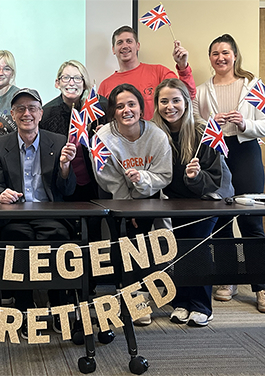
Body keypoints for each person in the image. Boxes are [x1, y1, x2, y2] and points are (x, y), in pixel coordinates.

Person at [193, 34, 265, 314]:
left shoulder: (253, 86)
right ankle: (227, 280)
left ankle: (261, 286)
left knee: (252, 222)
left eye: (225, 52)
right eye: (215, 53)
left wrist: (246, 124)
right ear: (210, 58)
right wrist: (209, 123)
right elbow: (194, 123)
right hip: (216, 154)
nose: (220, 57)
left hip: (246, 152)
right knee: (221, 222)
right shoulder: (203, 90)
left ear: (235, 56)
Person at [0, 88, 76, 339]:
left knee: (57, 240)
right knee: (17, 242)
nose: (27, 113)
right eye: (21, 109)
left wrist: (66, 167)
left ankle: (58, 305)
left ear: (40, 113)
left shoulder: (57, 142)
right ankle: (24, 308)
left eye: (32, 108)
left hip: (50, 213)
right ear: (12, 114)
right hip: (15, 215)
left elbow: (68, 190)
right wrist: (0, 194)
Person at [94, 84, 173, 326]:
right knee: (130, 242)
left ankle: (157, 292)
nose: (126, 110)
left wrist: (143, 181)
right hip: (119, 201)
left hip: (152, 199)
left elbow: (164, 175)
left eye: (131, 104)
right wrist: (130, 209)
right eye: (119, 106)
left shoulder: (157, 136)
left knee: (158, 242)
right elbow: (107, 179)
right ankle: (135, 300)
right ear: (112, 112)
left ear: (141, 108)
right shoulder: (103, 139)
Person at [152, 78, 222, 326]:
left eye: (175, 100)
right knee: (178, 252)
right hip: (174, 204)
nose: (169, 106)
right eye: (164, 101)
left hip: (204, 203)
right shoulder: (154, 134)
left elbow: (215, 180)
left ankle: (202, 305)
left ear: (186, 102)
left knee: (197, 250)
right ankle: (181, 301)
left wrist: (196, 177)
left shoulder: (204, 133)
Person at [41, 60, 108, 204]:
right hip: (62, 183)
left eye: (77, 78)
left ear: (84, 83)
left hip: (95, 181)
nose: (71, 83)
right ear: (57, 83)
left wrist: (106, 135)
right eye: (66, 78)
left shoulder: (100, 108)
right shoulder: (46, 114)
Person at [98, 25, 196, 120]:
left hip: (160, 135)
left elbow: (188, 96)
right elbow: (102, 118)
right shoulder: (105, 86)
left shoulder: (159, 72)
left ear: (138, 46)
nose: (124, 46)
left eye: (129, 41)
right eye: (119, 42)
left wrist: (183, 67)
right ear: (113, 49)